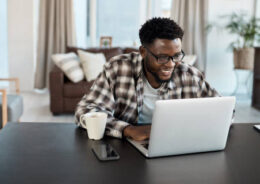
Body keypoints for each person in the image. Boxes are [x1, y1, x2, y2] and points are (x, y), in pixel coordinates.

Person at [75, 17, 219, 141]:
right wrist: (127, 130)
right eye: (162, 57)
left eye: (176, 56)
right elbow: (85, 111)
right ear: (143, 52)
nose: (170, 64)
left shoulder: (190, 76)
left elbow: (223, 112)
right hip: (127, 146)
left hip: (177, 143)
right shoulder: (118, 68)